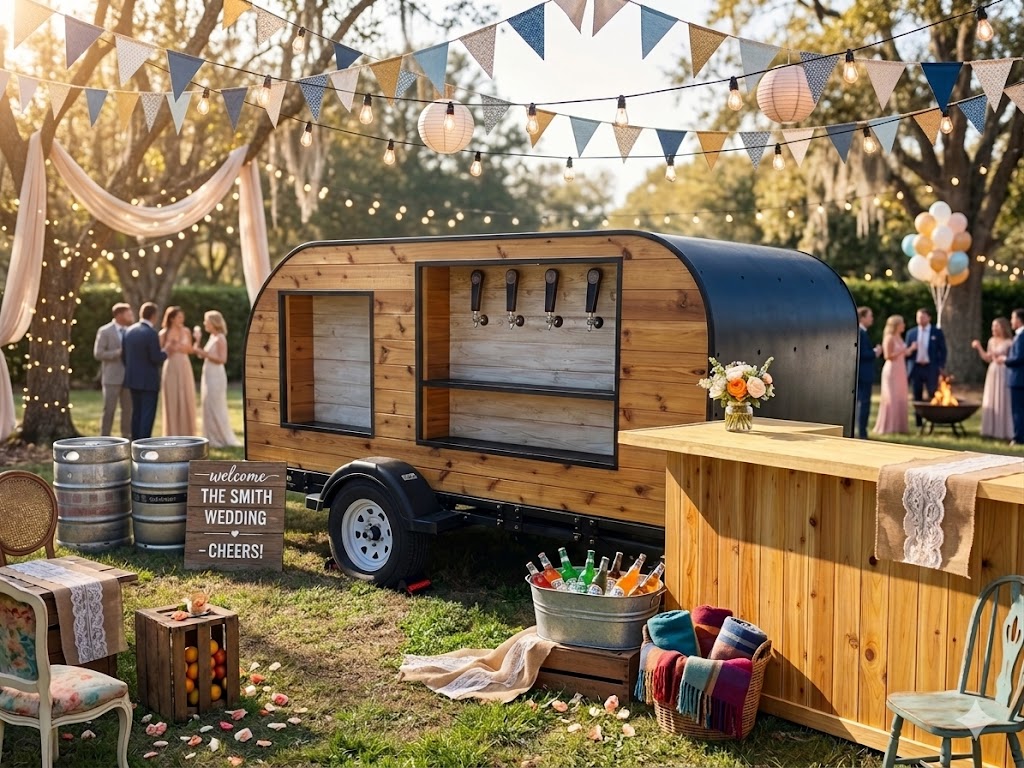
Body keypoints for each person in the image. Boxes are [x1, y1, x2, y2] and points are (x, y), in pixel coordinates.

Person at [194, 310, 240, 448]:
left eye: (206, 321)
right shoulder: (212, 337)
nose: (204, 323)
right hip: (208, 374)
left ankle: (220, 437)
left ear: (213, 323)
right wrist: (197, 340)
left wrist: (204, 353)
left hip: (216, 376)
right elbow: (200, 354)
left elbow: (222, 359)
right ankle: (210, 436)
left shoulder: (220, 338)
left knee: (215, 405)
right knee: (208, 404)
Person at [122, 302, 167, 440]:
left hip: (132, 379)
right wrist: (166, 353)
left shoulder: (129, 331)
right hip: (148, 380)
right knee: (147, 413)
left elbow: (124, 357)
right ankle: (144, 442)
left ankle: (135, 441)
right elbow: (155, 357)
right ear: (154, 315)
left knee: (136, 412)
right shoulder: (151, 333)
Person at [93, 302, 134, 437]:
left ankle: (126, 437)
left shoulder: (131, 331)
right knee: (109, 410)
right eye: (128, 314)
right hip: (111, 378)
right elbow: (98, 353)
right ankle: (105, 437)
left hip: (128, 378)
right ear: (119, 315)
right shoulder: (105, 331)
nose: (131, 316)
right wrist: (117, 353)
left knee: (128, 410)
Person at [971, 317, 1015, 440]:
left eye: (996, 326)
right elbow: (987, 358)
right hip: (993, 371)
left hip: (1004, 371)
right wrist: (979, 347)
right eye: (992, 326)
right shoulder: (991, 341)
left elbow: (1012, 359)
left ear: (1003, 327)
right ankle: (990, 429)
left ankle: (1004, 430)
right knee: (991, 398)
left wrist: (1003, 359)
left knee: (1003, 398)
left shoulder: (1009, 342)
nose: (993, 328)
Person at [872, 315, 917, 435]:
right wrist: (902, 350)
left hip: (901, 369)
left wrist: (911, 349)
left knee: (900, 397)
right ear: (896, 325)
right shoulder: (889, 337)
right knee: (891, 397)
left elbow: (904, 353)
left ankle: (900, 426)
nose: (904, 325)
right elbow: (888, 356)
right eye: (902, 323)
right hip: (891, 370)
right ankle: (889, 426)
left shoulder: (899, 337)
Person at [905, 307, 948, 428]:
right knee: (917, 396)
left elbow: (943, 350)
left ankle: (933, 421)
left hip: (931, 368)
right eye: (918, 317)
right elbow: (906, 352)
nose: (920, 319)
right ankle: (918, 423)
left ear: (929, 318)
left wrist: (941, 366)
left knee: (932, 393)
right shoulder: (911, 333)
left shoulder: (936, 332)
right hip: (916, 368)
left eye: (923, 317)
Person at [159, 306, 197, 437]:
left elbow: (191, 350)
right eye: (179, 317)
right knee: (172, 396)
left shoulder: (186, 331)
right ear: (172, 318)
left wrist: (180, 346)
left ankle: (187, 431)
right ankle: (172, 431)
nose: (182, 319)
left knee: (186, 395)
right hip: (171, 366)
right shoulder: (163, 333)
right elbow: (160, 353)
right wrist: (169, 346)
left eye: (182, 316)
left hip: (184, 365)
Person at [856, 306, 883, 439]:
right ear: (862, 318)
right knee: (864, 403)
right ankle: (862, 433)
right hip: (863, 374)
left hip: (863, 374)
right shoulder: (860, 333)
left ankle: (861, 431)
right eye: (870, 316)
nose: (872, 318)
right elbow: (860, 354)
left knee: (862, 403)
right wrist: (875, 352)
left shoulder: (862, 332)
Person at [1001, 308, 1024, 446]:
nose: (1011, 321)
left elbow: (1019, 358)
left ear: (1019, 320)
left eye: (1013, 318)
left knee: (1018, 410)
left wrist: (1005, 359)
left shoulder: (1021, 337)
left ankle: (1019, 438)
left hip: (1018, 379)